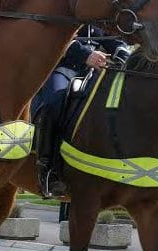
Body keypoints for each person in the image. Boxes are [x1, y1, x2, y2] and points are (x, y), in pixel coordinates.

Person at [31, 26, 129, 197]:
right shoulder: (65, 1)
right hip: (63, 68)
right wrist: (85, 55)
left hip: (96, 73)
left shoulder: (104, 8)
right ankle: (47, 170)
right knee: (52, 103)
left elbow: (112, 37)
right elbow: (55, 33)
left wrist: (122, 50)